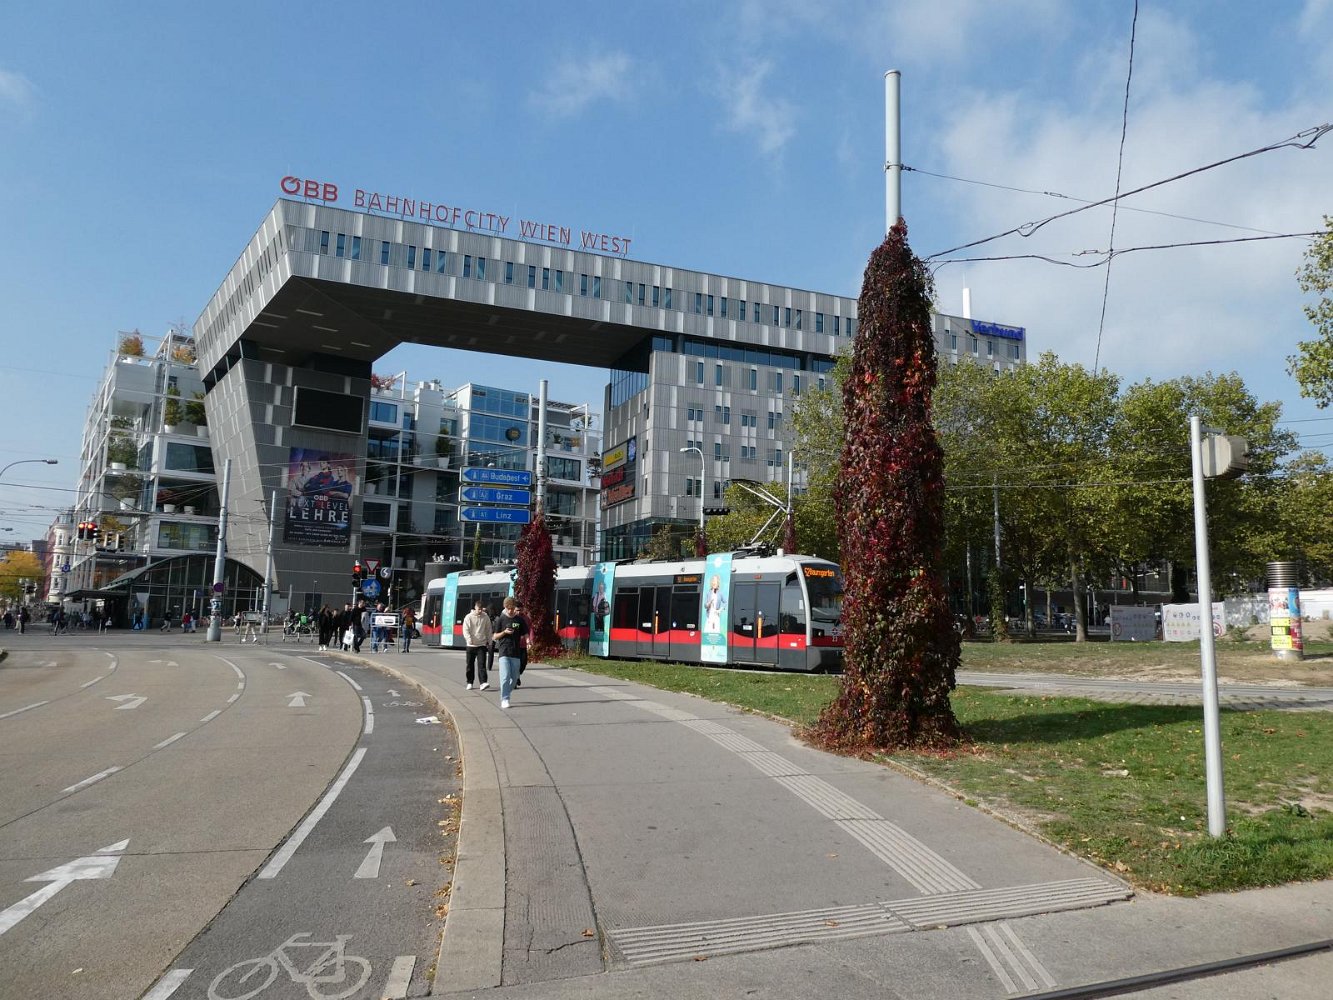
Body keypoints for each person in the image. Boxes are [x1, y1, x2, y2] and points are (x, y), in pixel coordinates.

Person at [493, 597, 526, 709]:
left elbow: (525, 632)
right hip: (504, 652)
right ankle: (505, 699)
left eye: (512, 608)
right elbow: (495, 636)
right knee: (505, 677)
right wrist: (504, 632)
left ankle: (507, 692)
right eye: (509, 608)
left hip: (515, 653)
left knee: (514, 679)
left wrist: (528, 641)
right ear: (505, 607)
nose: (511, 611)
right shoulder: (501, 619)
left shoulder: (519, 620)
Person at [462, 600, 493, 690]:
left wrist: (490, 641)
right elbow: (465, 629)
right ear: (475, 607)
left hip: (481, 644)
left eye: (481, 609)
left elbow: (488, 630)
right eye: (478, 609)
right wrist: (469, 639)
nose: (480, 611)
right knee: (470, 665)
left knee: (482, 665)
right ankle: (470, 682)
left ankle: (483, 682)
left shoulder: (485, 617)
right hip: (471, 645)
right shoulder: (468, 617)